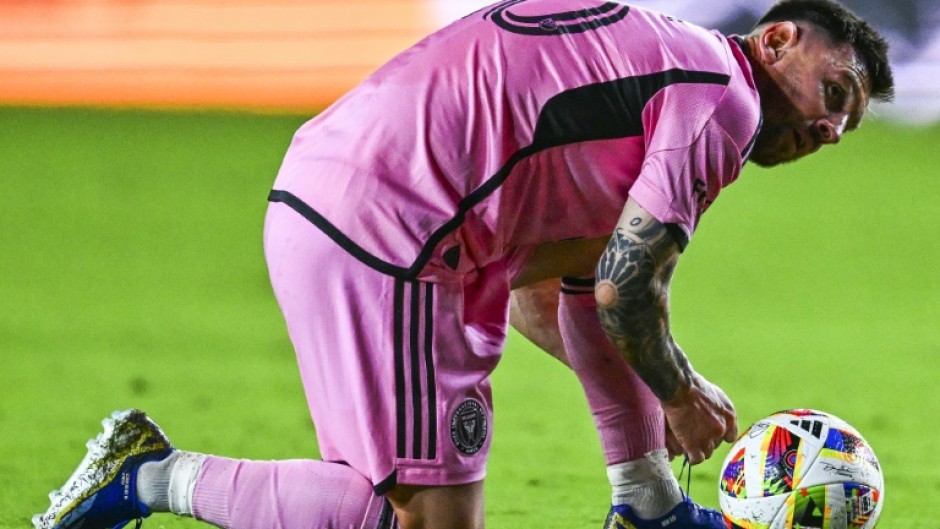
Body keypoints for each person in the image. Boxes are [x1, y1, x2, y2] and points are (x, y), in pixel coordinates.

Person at [33, 0, 893, 528]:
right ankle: (145, 475)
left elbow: (563, 296)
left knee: (396, 494)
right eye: (836, 95)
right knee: (400, 518)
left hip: (347, 202)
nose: (827, 129)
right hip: (394, 233)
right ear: (777, 39)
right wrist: (679, 390)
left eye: (843, 131)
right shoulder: (723, 100)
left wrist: (649, 462)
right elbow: (627, 290)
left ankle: (650, 507)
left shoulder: (661, 59)